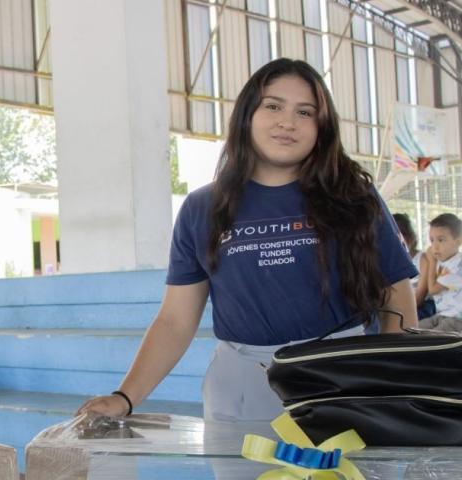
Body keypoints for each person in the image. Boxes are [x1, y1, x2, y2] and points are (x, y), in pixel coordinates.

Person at [77, 58, 417, 423]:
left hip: (341, 378)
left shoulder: (354, 197)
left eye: (305, 112)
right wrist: (125, 397)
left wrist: (390, 382)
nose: (288, 122)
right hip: (240, 386)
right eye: (273, 106)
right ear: (247, 115)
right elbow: (175, 320)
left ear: (322, 127)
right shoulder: (202, 208)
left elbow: (396, 295)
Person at [417, 213, 462, 332]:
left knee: (432, 338)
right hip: (442, 315)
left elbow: (433, 290)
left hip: (457, 320)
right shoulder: (444, 262)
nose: (435, 247)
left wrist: (431, 262)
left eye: (441, 240)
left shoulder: (457, 266)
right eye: (432, 240)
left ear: (458, 242)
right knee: (413, 329)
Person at [393, 213, 436, 319]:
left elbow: (421, 294)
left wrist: (404, 311)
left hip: (423, 304)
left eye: (400, 242)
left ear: (411, 238)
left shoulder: (422, 258)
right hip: (403, 305)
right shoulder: (393, 262)